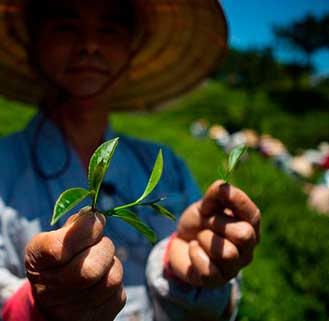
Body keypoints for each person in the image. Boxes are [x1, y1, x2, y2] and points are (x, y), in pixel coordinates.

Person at [0, 1, 261, 320]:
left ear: (131, 49)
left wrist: (192, 275)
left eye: (110, 30)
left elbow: (223, 300)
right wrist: (35, 307)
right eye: (65, 27)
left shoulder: (166, 166)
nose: (90, 46)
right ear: (33, 41)